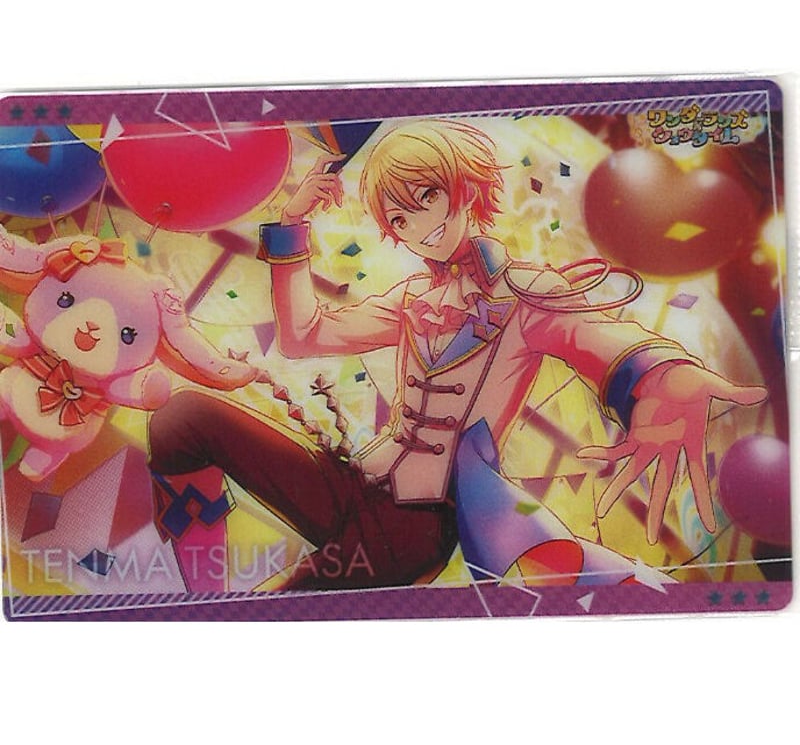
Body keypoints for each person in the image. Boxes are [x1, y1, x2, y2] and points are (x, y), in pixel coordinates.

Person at [148, 119, 766, 591]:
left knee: (280, 609)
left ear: (466, 189)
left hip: (417, 523)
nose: (419, 226)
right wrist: (291, 225)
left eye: (427, 198)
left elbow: (598, 336)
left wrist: (661, 377)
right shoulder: (413, 297)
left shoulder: (526, 291)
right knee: (182, 420)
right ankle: (201, 593)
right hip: (356, 483)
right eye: (399, 218)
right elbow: (305, 334)